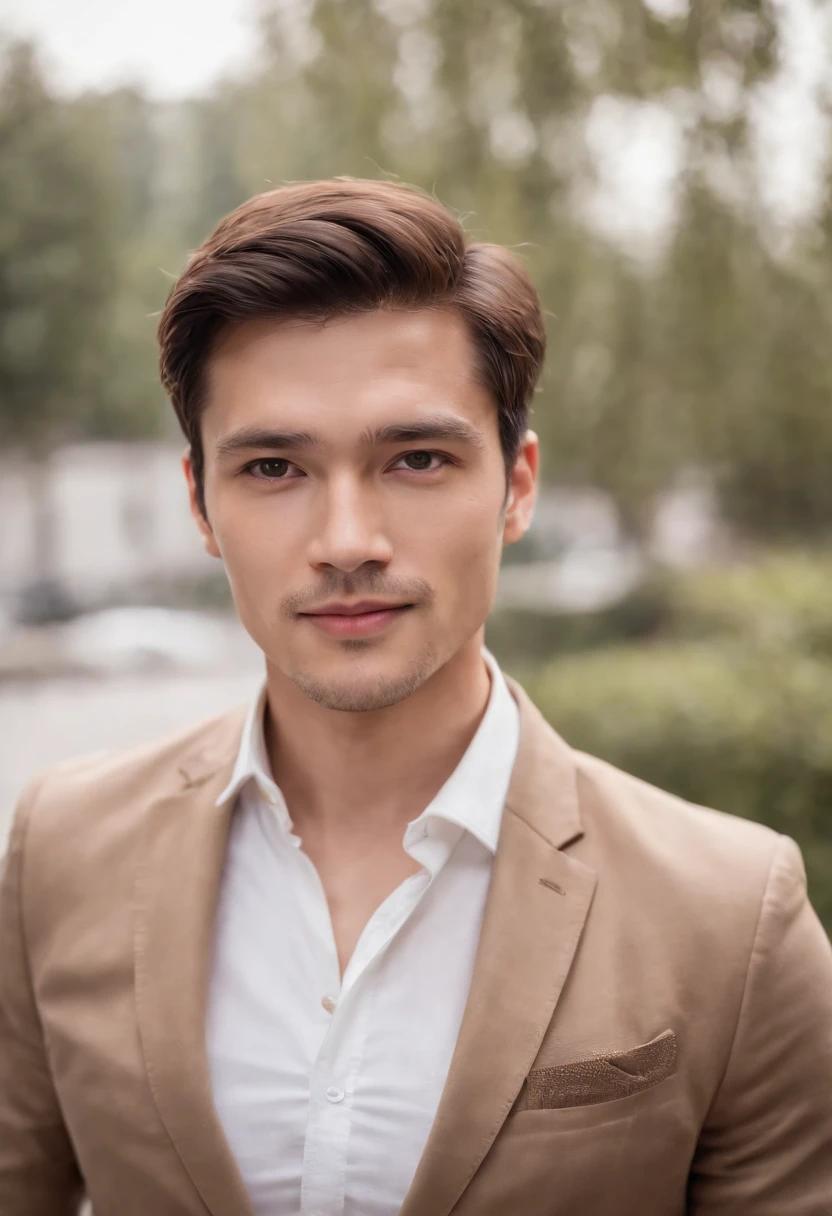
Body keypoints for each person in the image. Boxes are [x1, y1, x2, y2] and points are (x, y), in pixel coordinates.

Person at [1, 178, 831, 1216]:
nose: (348, 540)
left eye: (418, 458)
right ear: (200, 504)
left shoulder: (729, 912)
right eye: (272, 466)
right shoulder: (61, 852)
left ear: (517, 485)